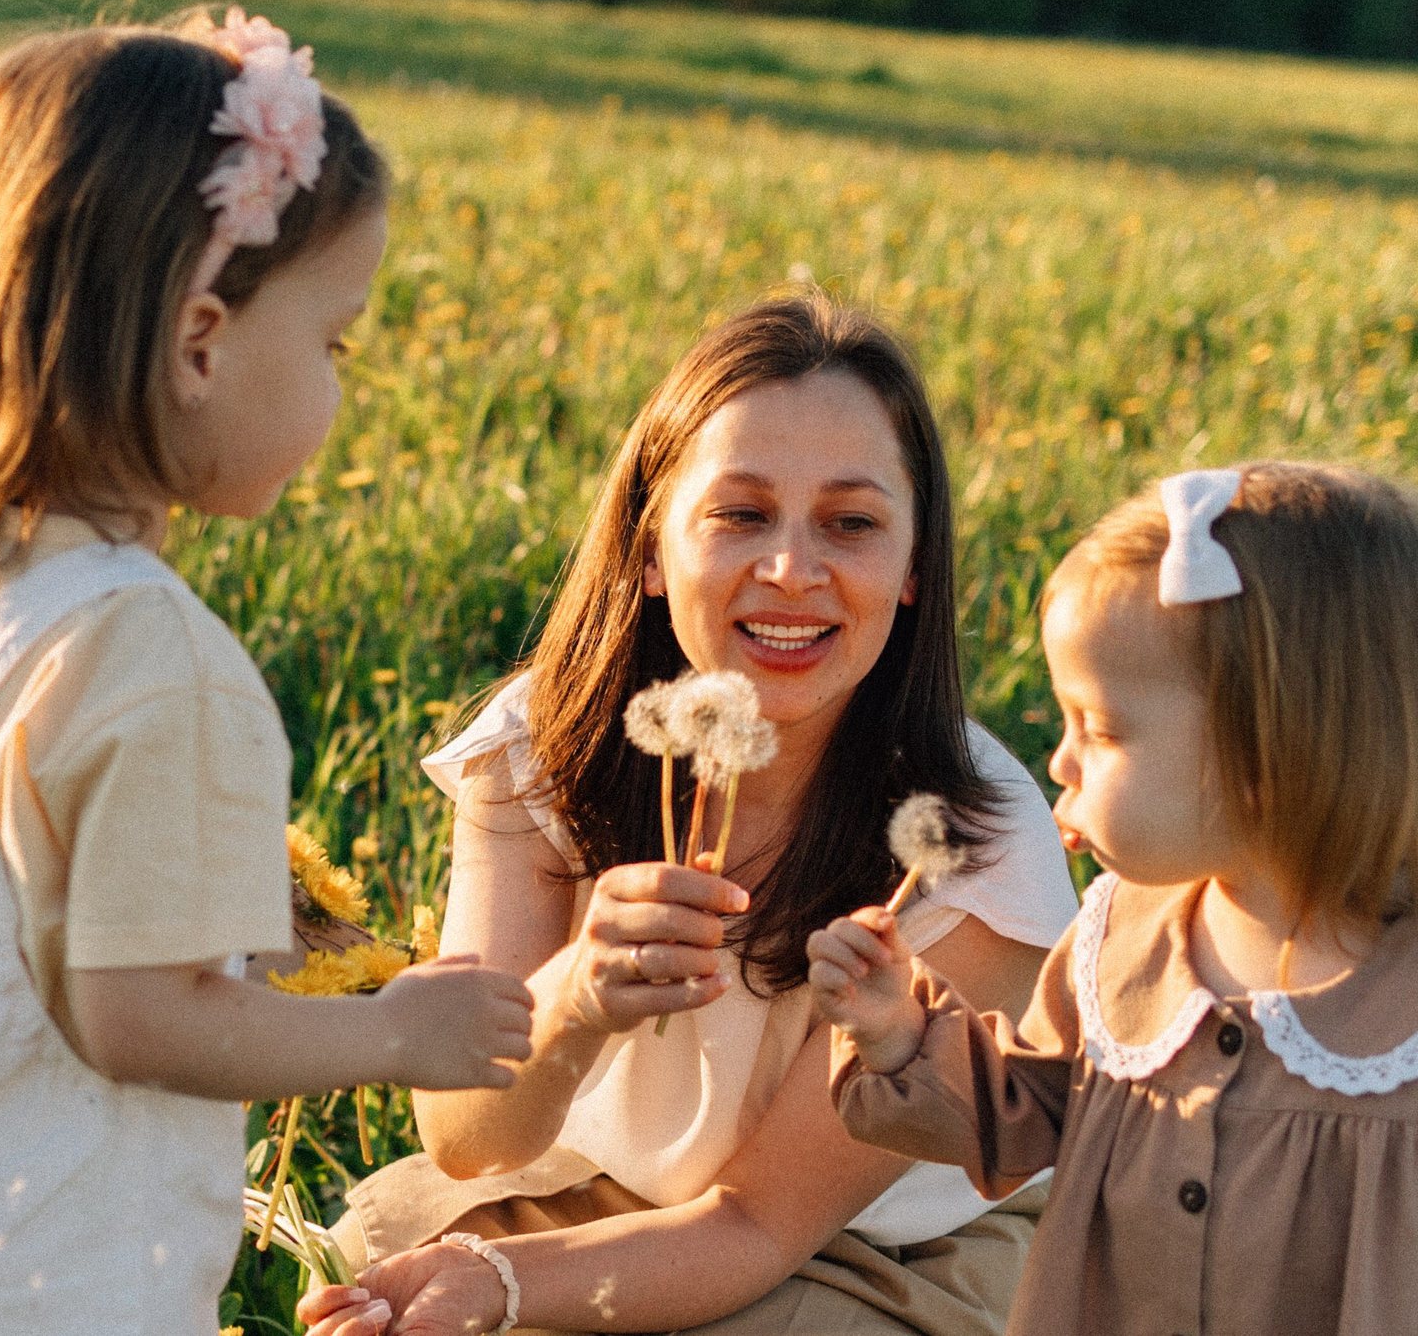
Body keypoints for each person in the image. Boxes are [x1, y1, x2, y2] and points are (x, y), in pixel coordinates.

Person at [0, 10, 536, 1336]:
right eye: (334, 343)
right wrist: (397, 1030)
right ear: (200, 341)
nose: (339, 385)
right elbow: (141, 1022)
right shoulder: (161, 657)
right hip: (42, 1274)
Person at [303, 295, 1080, 1336]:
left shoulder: (968, 844)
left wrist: (500, 1280)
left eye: (851, 523)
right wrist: (573, 1000)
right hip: (606, 1192)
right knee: (372, 1289)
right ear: (650, 550)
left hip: (872, 1250)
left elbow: (758, 1224)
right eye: (740, 514)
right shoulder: (539, 749)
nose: (792, 570)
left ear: (912, 568)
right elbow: (467, 1140)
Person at [812, 462, 1418, 1336]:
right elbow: (1030, 1110)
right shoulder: (1119, 940)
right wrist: (899, 1031)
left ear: (1265, 753)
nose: (1059, 761)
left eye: (1099, 729)